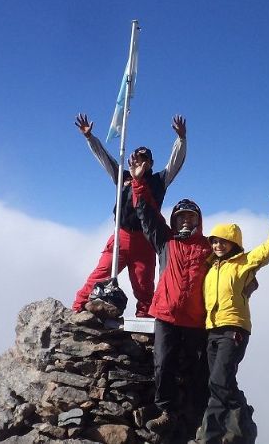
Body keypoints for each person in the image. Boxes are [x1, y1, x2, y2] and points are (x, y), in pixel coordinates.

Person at [197, 194, 269, 444]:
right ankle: (222, 433)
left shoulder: (244, 263)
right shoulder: (209, 266)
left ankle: (228, 430)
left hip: (234, 329)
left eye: (223, 241)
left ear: (234, 243)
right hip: (212, 330)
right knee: (218, 382)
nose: (218, 245)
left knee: (219, 380)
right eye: (214, 241)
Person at [71, 113, 187, 317]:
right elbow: (104, 158)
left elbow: (175, 164)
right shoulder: (123, 176)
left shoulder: (159, 181)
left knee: (143, 283)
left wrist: (181, 139)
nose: (140, 163)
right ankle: (77, 309)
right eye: (136, 158)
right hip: (121, 235)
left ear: (150, 163)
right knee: (101, 273)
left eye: (144, 160)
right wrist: (90, 138)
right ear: (131, 160)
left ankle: (144, 319)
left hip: (145, 240)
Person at [129, 155, 211, 435]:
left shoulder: (209, 248)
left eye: (190, 216)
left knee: (195, 370)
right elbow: (147, 214)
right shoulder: (165, 240)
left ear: (198, 221)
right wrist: (138, 182)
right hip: (165, 315)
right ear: (174, 221)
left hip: (195, 320)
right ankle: (166, 411)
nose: (185, 221)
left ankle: (194, 416)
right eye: (181, 217)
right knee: (163, 365)